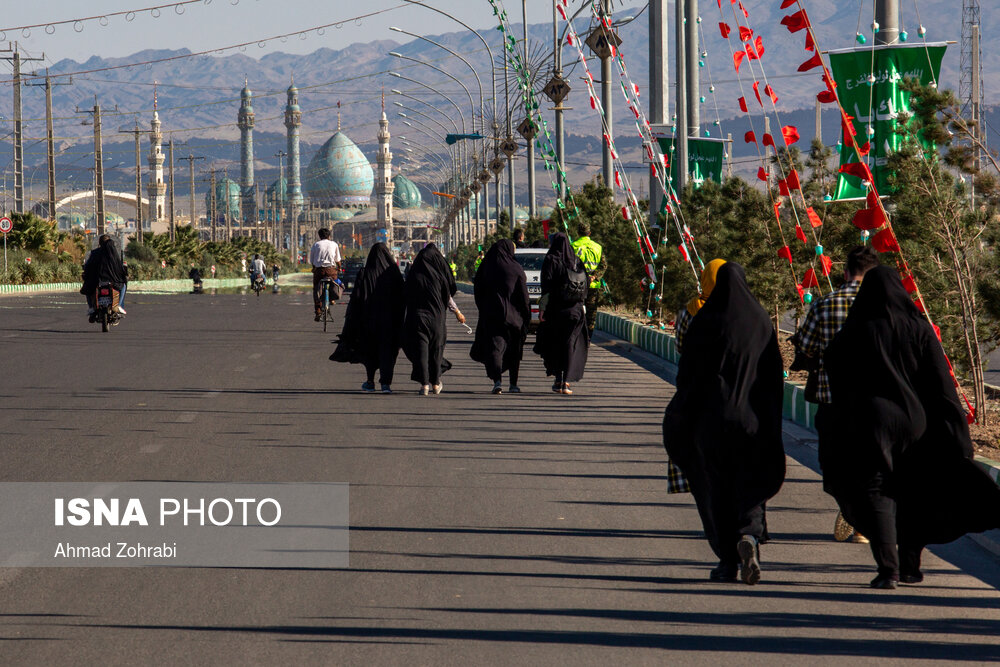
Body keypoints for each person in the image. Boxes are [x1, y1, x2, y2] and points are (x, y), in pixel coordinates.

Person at [824, 266, 1000, 589]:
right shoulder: (918, 327)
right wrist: (956, 428)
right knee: (912, 490)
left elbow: (833, 367)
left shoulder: (855, 329)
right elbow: (941, 381)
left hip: (870, 421)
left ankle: (888, 569)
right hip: (915, 423)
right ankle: (910, 566)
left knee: (877, 490)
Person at [662, 262, 785, 585]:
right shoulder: (759, 321)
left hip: (711, 422)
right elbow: (773, 375)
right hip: (752, 422)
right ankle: (750, 536)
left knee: (716, 489)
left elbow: (687, 375)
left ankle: (726, 561)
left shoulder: (704, 321)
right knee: (752, 482)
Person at [793, 246, 880, 545]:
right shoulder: (887, 305)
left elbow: (805, 346)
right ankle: (864, 523)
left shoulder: (825, 304)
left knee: (835, 462)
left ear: (845, 272)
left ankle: (851, 508)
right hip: (877, 402)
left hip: (834, 401)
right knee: (872, 462)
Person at [330, 243, 405, 394]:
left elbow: (356, 298)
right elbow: (402, 297)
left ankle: (370, 381)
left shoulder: (364, 273)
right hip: (389, 322)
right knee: (388, 351)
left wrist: (352, 319)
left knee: (370, 349)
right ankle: (385, 383)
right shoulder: (393, 274)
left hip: (368, 320)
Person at [403, 243, 465, 395]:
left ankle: (424, 385)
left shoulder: (414, 275)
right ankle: (436, 384)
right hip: (436, 320)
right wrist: (457, 312)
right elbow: (448, 298)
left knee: (422, 351)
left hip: (417, 319)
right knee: (437, 351)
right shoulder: (440, 277)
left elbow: (404, 296)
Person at [470, 239, 531, 394]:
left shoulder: (486, 267)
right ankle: (513, 384)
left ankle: (497, 381)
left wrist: (483, 308)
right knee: (514, 351)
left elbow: (478, 290)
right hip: (514, 318)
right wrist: (526, 315)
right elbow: (524, 296)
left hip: (492, 316)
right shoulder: (516, 268)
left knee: (495, 348)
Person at [533, 232, 589, 395]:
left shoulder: (551, 260)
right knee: (570, 344)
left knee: (555, 344)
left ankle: (558, 379)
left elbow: (546, 288)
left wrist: (542, 309)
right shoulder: (576, 261)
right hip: (575, 310)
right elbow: (586, 284)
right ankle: (566, 382)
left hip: (556, 310)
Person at [571, 222, 607, 340]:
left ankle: (575, 336)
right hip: (593, 285)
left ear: (578, 233)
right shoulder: (598, 247)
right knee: (591, 315)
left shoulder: (573, 246)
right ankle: (588, 338)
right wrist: (594, 276)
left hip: (577, 285)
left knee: (576, 310)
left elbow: (569, 266)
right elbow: (603, 266)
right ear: (589, 233)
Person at [81, 234, 128, 320]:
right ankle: (119, 305)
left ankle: (91, 307)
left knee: (87, 288)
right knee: (123, 286)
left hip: (97, 281)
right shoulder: (113, 254)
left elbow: (88, 267)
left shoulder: (95, 253)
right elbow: (119, 268)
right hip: (113, 282)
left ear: (99, 244)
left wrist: (86, 275)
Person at [309, 228, 342, 321]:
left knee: (316, 288)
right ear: (329, 236)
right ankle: (332, 298)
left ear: (319, 236)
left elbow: (312, 260)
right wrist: (339, 268)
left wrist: (314, 268)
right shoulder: (334, 244)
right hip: (331, 270)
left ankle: (318, 311)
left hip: (319, 271)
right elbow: (338, 260)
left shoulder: (316, 245)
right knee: (336, 282)